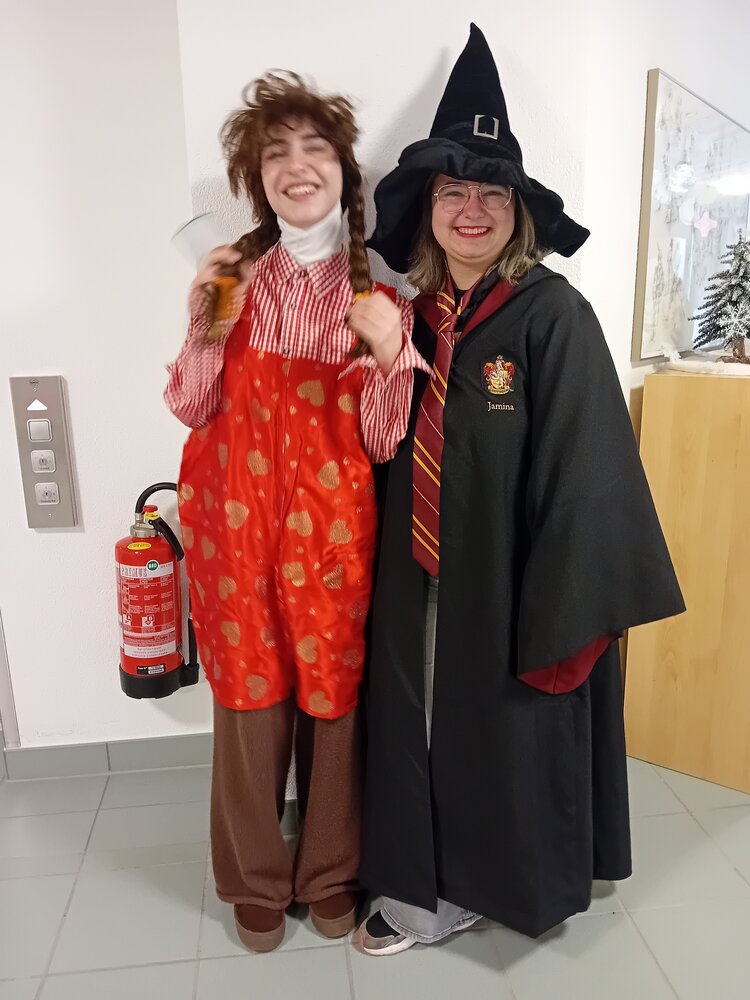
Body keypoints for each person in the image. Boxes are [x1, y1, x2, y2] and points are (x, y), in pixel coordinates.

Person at [354, 24, 685, 955]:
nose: (471, 210)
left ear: (517, 212)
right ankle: (424, 875)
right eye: (452, 192)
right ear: (427, 207)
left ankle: (479, 888)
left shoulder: (552, 317)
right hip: (413, 578)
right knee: (419, 727)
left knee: (497, 731)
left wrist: (565, 611)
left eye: (491, 193)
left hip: (509, 586)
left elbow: (590, 468)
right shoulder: (408, 319)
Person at [164, 71, 425, 954]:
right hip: (233, 537)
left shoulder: (380, 298)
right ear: (256, 178)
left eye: (315, 148)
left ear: (344, 173)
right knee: (248, 704)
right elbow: (190, 404)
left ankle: (330, 875)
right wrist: (204, 319)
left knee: (332, 704)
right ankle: (252, 880)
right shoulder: (232, 279)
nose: (296, 165)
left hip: (332, 541)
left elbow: (384, 442)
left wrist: (388, 356)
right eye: (275, 153)